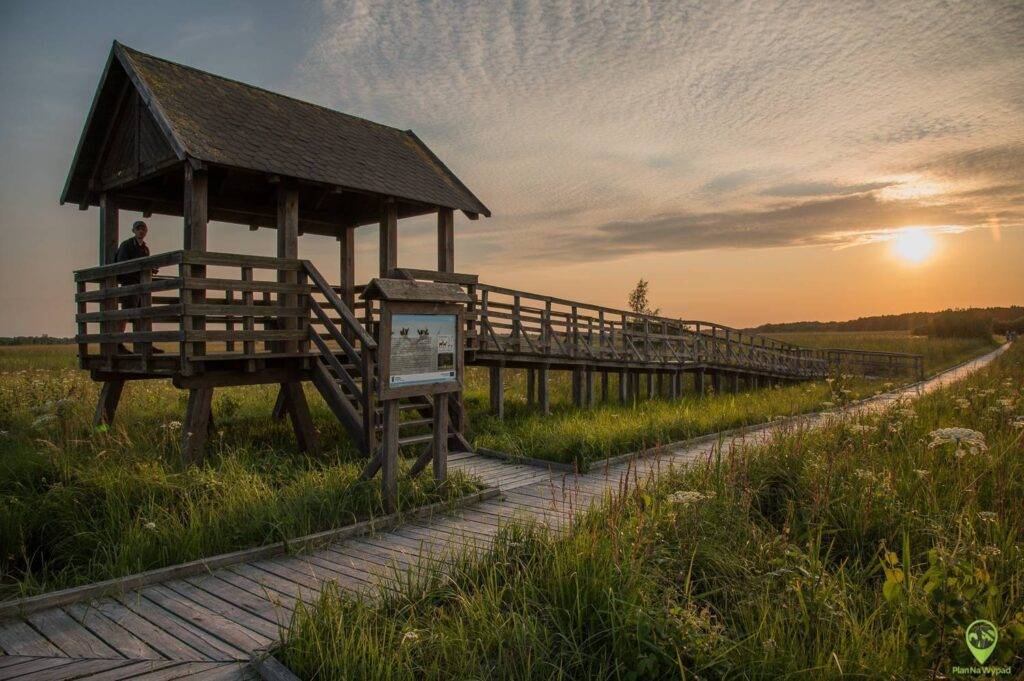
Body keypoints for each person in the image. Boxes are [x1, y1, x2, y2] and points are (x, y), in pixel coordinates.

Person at [113, 220, 163, 354]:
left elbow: (145, 265)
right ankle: (117, 344)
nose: (141, 231)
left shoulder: (145, 248)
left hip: (142, 286)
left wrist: (151, 269)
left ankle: (144, 344)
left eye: (143, 229)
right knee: (126, 313)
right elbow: (122, 265)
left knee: (143, 314)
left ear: (146, 231)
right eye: (138, 228)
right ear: (133, 231)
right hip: (129, 284)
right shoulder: (126, 245)